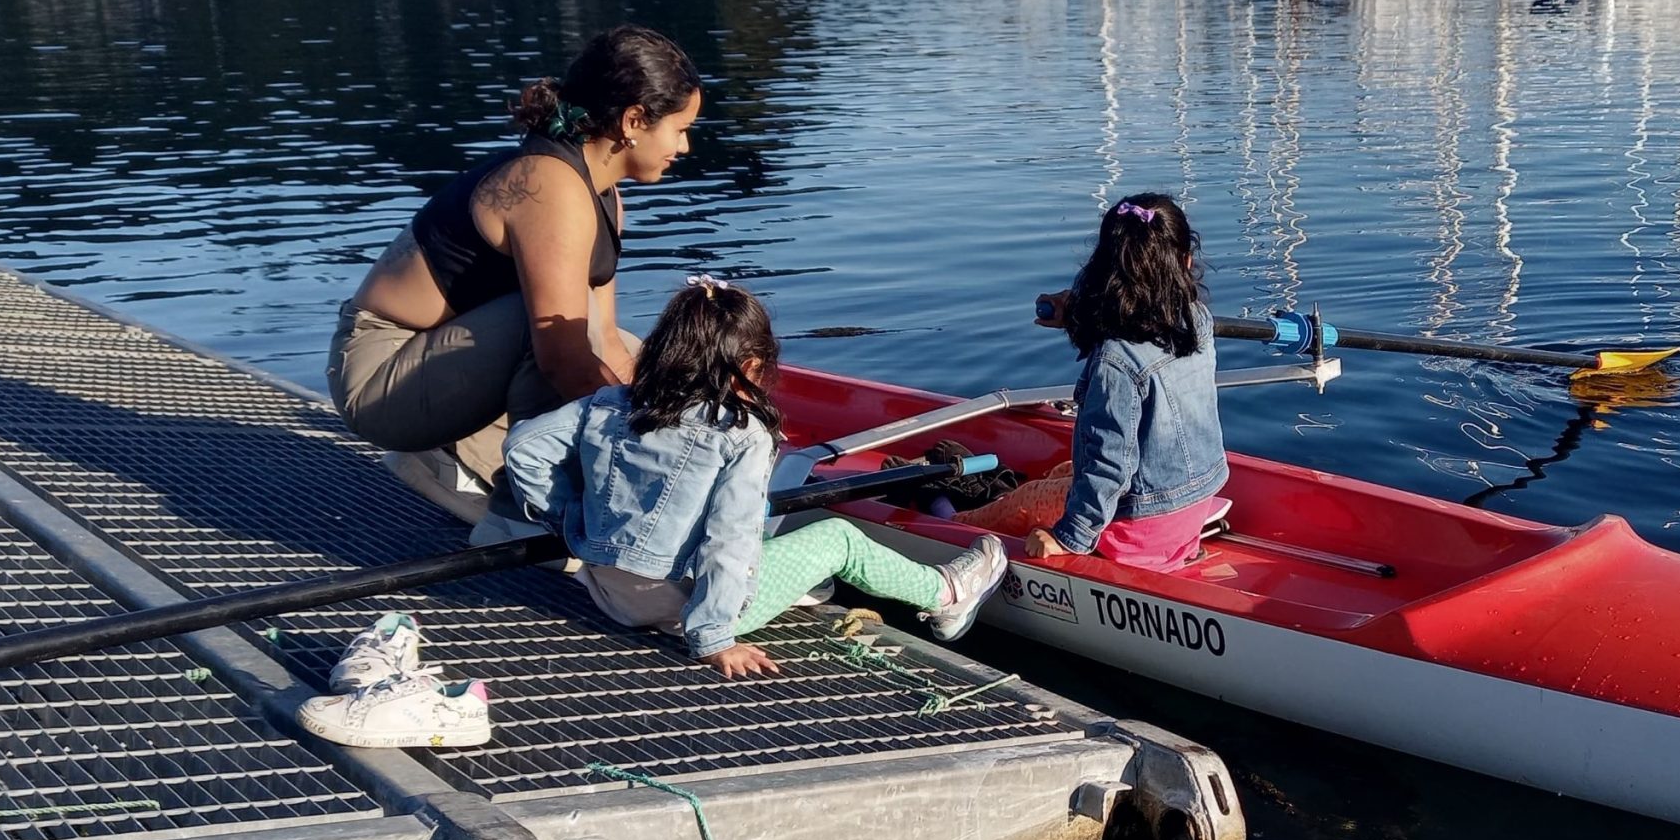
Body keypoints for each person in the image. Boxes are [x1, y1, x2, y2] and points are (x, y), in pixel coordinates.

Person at [503, 279, 1008, 678]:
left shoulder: (611, 404)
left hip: (610, 591)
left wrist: (571, 520)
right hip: (683, 609)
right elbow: (729, 538)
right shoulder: (741, 435)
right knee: (839, 539)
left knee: (755, 538)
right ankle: (946, 595)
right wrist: (714, 639)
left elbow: (523, 448)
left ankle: (800, 585)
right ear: (747, 365)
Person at [328, 25, 701, 515]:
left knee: (636, 353)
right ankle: (518, 515)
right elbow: (563, 358)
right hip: (379, 377)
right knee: (560, 330)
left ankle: (462, 459)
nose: (685, 147)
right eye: (680, 128)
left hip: (441, 360)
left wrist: (674, 419)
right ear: (633, 121)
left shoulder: (603, 196)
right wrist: (644, 443)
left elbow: (608, 339)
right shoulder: (549, 187)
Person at [1025, 194, 1229, 574]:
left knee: (1022, 500)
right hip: (1194, 506)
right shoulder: (1197, 320)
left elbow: (1109, 464)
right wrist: (1075, 313)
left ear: (1100, 272)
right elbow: (1146, 327)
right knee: (1062, 472)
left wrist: (1069, 537)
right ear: (1186, 262)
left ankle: (948, 524)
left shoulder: (1114, 362)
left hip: (1137, 532)